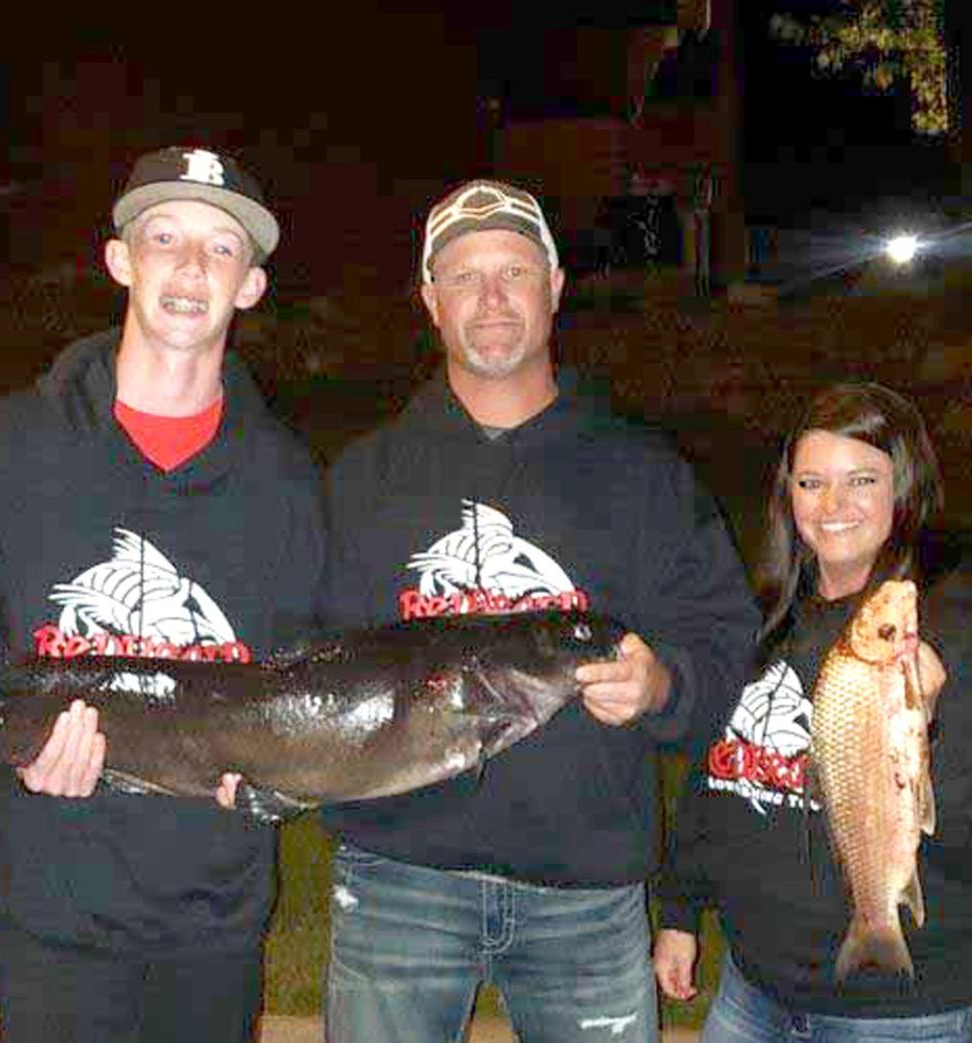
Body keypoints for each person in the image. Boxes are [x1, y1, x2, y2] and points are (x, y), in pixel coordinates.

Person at [319, 178, 759, 1042]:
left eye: (514, 270)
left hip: (585, 896)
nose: (490, 298)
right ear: (430, 301)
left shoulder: (642, 474)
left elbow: (724, 639)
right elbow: (308, 667)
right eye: (464, 275)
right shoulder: (362, 480)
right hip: (397, 878)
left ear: (555, 288)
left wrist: (665, 684)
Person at [0, 146, 325, 1042]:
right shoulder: (12, 443)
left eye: (220, 248)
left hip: (213, 919)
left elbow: (305, 689)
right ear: (119, 260)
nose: (188, 267)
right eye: (164, 237)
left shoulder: (285, 478)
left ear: (250, 285)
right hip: (55, 914)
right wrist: (17, 751)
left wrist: (277, 776)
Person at [653, 383, 972, 1043]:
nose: (833, 504)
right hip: (755, 993)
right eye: (811, 481)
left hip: (913, 1012)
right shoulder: (765, 618)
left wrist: (927, 725)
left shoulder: (955, 627)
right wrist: (681, 908)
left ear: (905, 490)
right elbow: (714, 774)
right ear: (787, 496)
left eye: (862, 479)